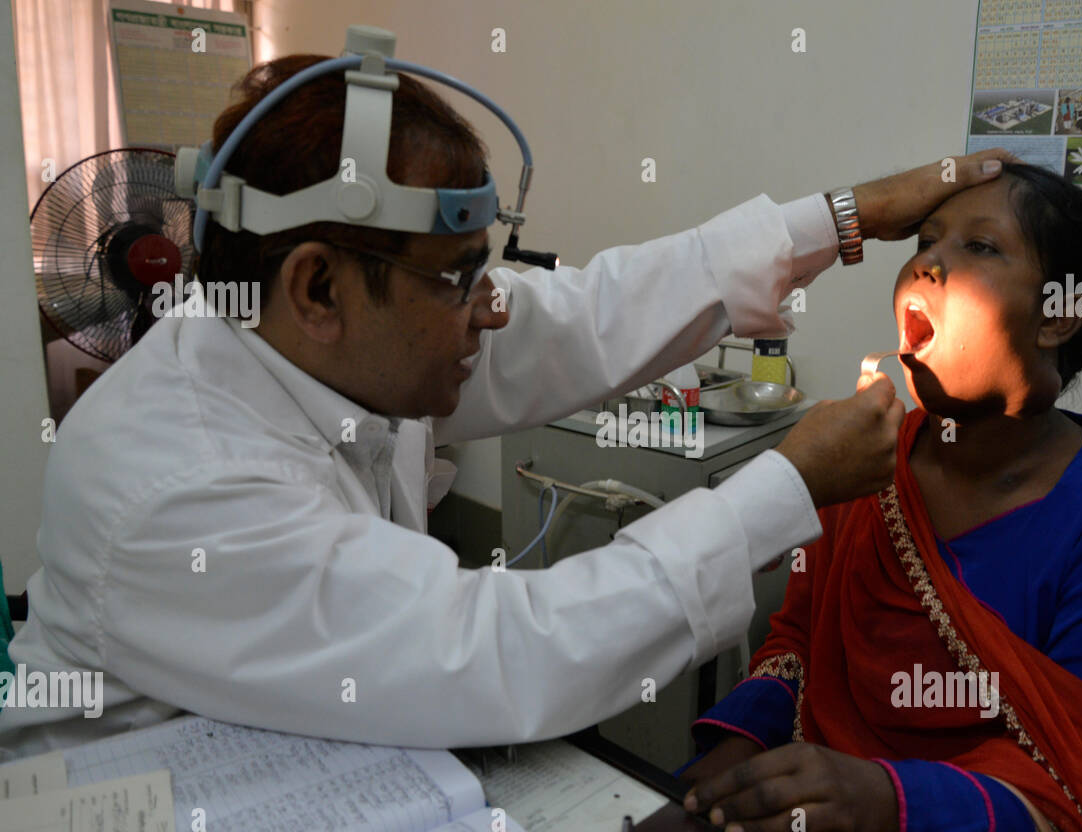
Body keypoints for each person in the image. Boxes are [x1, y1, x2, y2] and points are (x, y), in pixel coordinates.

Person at [0, 51, 1016, 759]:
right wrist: (785, 483)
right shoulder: (180, 483)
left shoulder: (326, 343)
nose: (492, 307)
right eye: (455, 276)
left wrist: (836, 219)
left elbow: (585, 312)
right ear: (317, 288)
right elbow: (499, 654)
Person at [680, 164, 1082, 832]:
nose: (929, 262)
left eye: (980, 247)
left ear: (1057, 313)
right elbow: (797, 643)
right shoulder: (867, 467)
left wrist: (886, 805)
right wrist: (738, 752)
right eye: (925, 240)